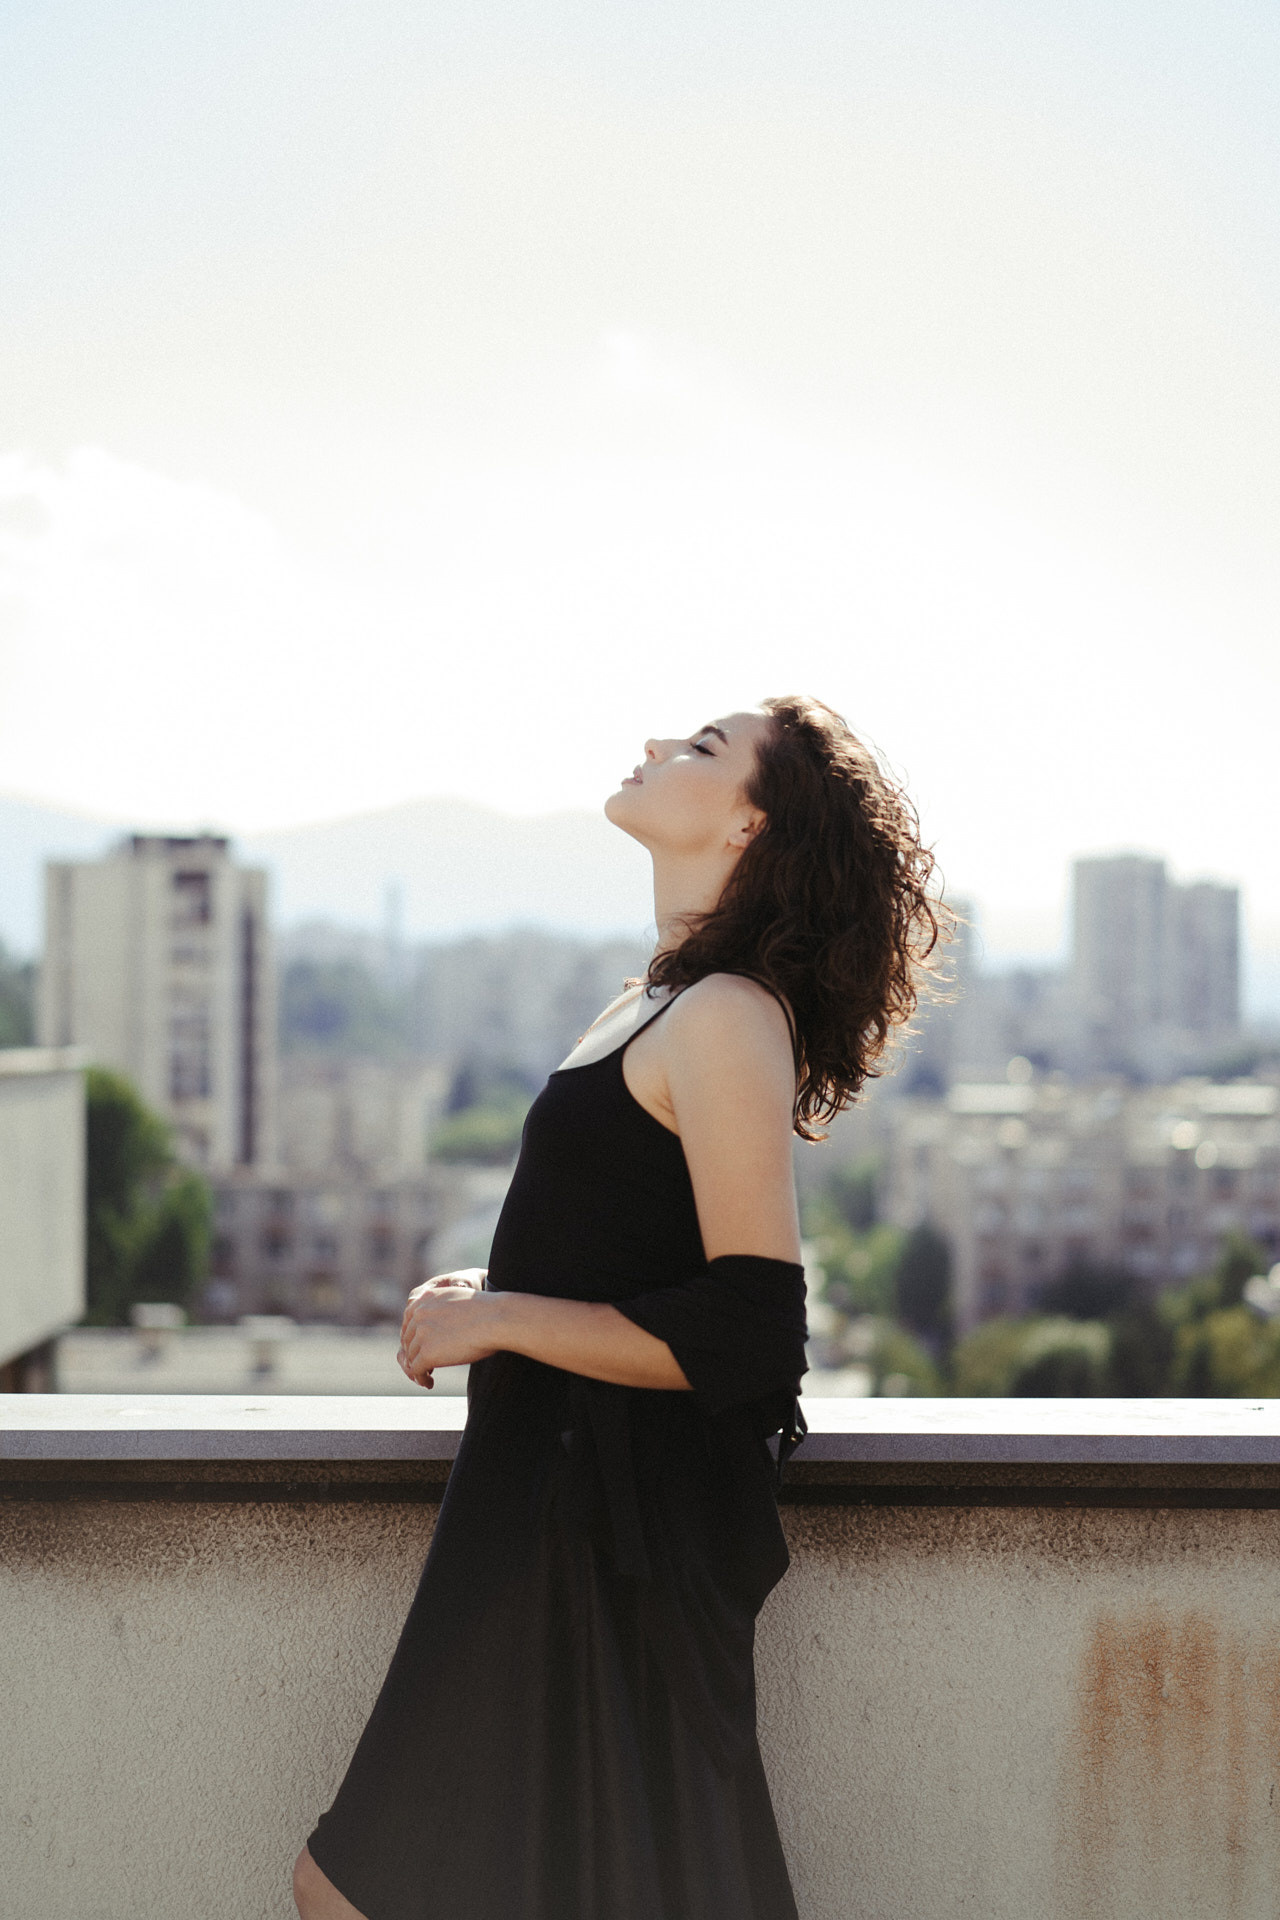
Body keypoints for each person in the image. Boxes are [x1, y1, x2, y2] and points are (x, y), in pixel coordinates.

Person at [293, 695, 948, 1920]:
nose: (654, 745)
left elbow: (752, 1330)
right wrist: (502, 1292)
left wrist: (503, 1323)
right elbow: (627, 1246)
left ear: (750, 824)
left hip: (594, 1533)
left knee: (351, 1887)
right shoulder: (655, 999)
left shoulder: (727, 1016)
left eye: (702, 747)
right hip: (537, 1499)